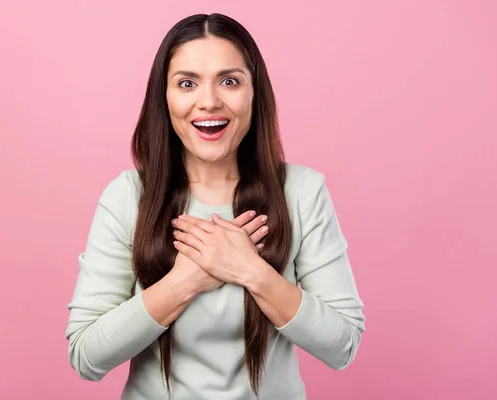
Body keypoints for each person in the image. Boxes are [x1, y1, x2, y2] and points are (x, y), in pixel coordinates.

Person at [64, 13, 365, 400]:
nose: (209, 102)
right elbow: (86, 356)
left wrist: (251, 271)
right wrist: (185, 280)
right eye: (187, 83)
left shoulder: (302, 191)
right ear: (164, 97)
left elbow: (342, 346)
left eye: (230, 81)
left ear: (255, 92)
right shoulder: (127, 196)